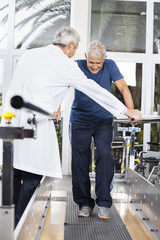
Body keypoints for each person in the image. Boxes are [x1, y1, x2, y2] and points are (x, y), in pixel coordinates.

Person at [0, 27, 141, 226]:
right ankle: (17, 225)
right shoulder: (67, 65)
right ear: (72, 46)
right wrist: (127, 111)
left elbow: (23, 88)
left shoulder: (28, 55)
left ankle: (8, 224)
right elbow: (94, 90)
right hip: (37, 126)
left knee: (14, 174)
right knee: (31, 177)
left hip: (11, 123)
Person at [70, 40, 135, 219]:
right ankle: (84, 203)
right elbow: (61, 85)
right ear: (85, 57)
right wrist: (56, 107)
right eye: (91, 62)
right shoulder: (76, 66)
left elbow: (123, 87)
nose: (95, 66)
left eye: (99, 63)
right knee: (79, 162)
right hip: (80, 120)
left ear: (105, 59)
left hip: (103, 120)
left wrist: (131, 112)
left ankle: (104, 202)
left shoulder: (110, 65)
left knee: (105, 155)